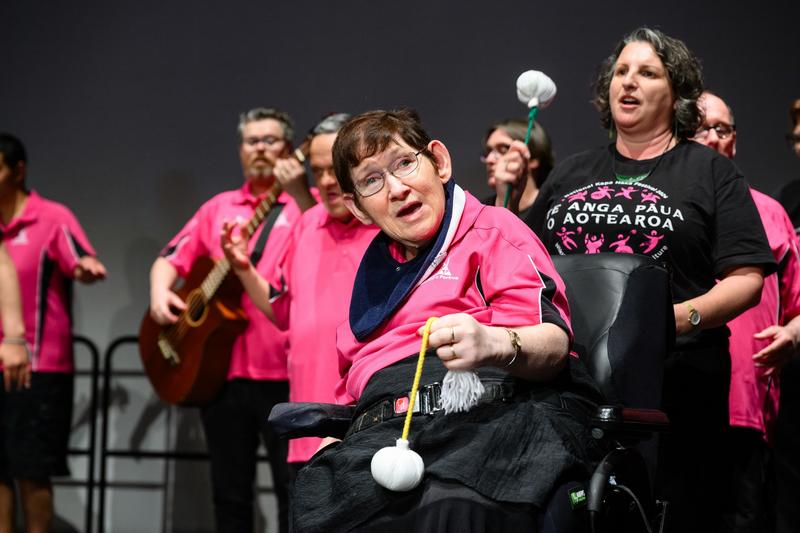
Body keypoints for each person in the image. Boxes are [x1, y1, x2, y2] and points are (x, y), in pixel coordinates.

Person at [289, 109, 603, 532]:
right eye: (371, 180)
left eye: (404, 163)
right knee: (316, 503)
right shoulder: (372, 281)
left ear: (438, 161)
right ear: (357, 207)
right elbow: (352, 392)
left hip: (487, 417)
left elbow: (553, 344)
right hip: (382, 435)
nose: (396, 189)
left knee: (447, 506)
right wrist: (333, 442)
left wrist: (493, 343)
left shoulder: (493, 230)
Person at [525, 28, 775, 532]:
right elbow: (525, 260)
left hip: (677, 385)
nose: (629, 82)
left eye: (647, 72)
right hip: (573, 385)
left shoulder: (710, 171)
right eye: (621, 71)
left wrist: (671, 321)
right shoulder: (571, 172)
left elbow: (746, 277)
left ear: (676, 92)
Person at [148, 107, 312, 533]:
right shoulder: (217, 208)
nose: (259, 149)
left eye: (269, 140)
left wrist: (301, 194)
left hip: (285, 375)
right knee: (229, 494)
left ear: (289, 148)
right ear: (240, 150)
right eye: (251, 141)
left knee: (293, 492)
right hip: (219, 374)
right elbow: (170, 258)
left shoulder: (305, 205)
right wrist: (160, 292)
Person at [220, 113, 379, 479]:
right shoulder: (306, 223)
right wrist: (243, 267)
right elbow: (280, 311)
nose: (326, 181)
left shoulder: (386, 229)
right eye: (318, 171)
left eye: (334, 169)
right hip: (306, 427)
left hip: (365, 425)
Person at [693, 90, 800, 531]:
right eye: (700, 128)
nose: (712, 137)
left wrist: (793, 335)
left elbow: (798, 305)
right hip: (679, 404)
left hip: (748, 408)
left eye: (721, 128)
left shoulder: (771, 212)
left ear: (733, 141)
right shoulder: (667, 212)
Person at [0, 133, 106, 533]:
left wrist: (85, 268)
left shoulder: (51, 217)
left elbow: (80, 257)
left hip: (40, 367)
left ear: (18, 171)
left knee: (31, 470)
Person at [481, 119, 552, 218]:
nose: (489, 159)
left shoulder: (552, 209)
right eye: (488, 152)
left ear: (533, 158)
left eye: (503, 149)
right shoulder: (481, 211)